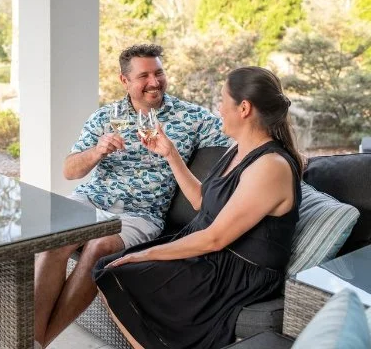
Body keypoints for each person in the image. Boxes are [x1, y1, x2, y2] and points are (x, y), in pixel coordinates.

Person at [93, 66, 304, 349]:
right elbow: (202, 202)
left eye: (223, 100)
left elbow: (215, 238)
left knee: (117, 272)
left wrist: (146, 253)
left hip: (234, 269)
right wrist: (170, 153)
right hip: (212, 251)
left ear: (244, 108)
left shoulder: (271, 166)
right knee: (107, 268)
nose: (219, 109)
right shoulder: (238, 149)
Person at [34, 44, 230, 348]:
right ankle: (32, 341)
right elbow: (69, 171)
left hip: (141, 214)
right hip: (91, 200)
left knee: (100, 247)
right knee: (53, 242)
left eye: (158, 73)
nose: (154, 82)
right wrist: (97, 151)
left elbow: (242, 134)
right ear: (124, 80)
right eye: (144, 76)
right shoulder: (104, 117)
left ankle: (36, 342)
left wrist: (288, 155)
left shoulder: (191, 117)